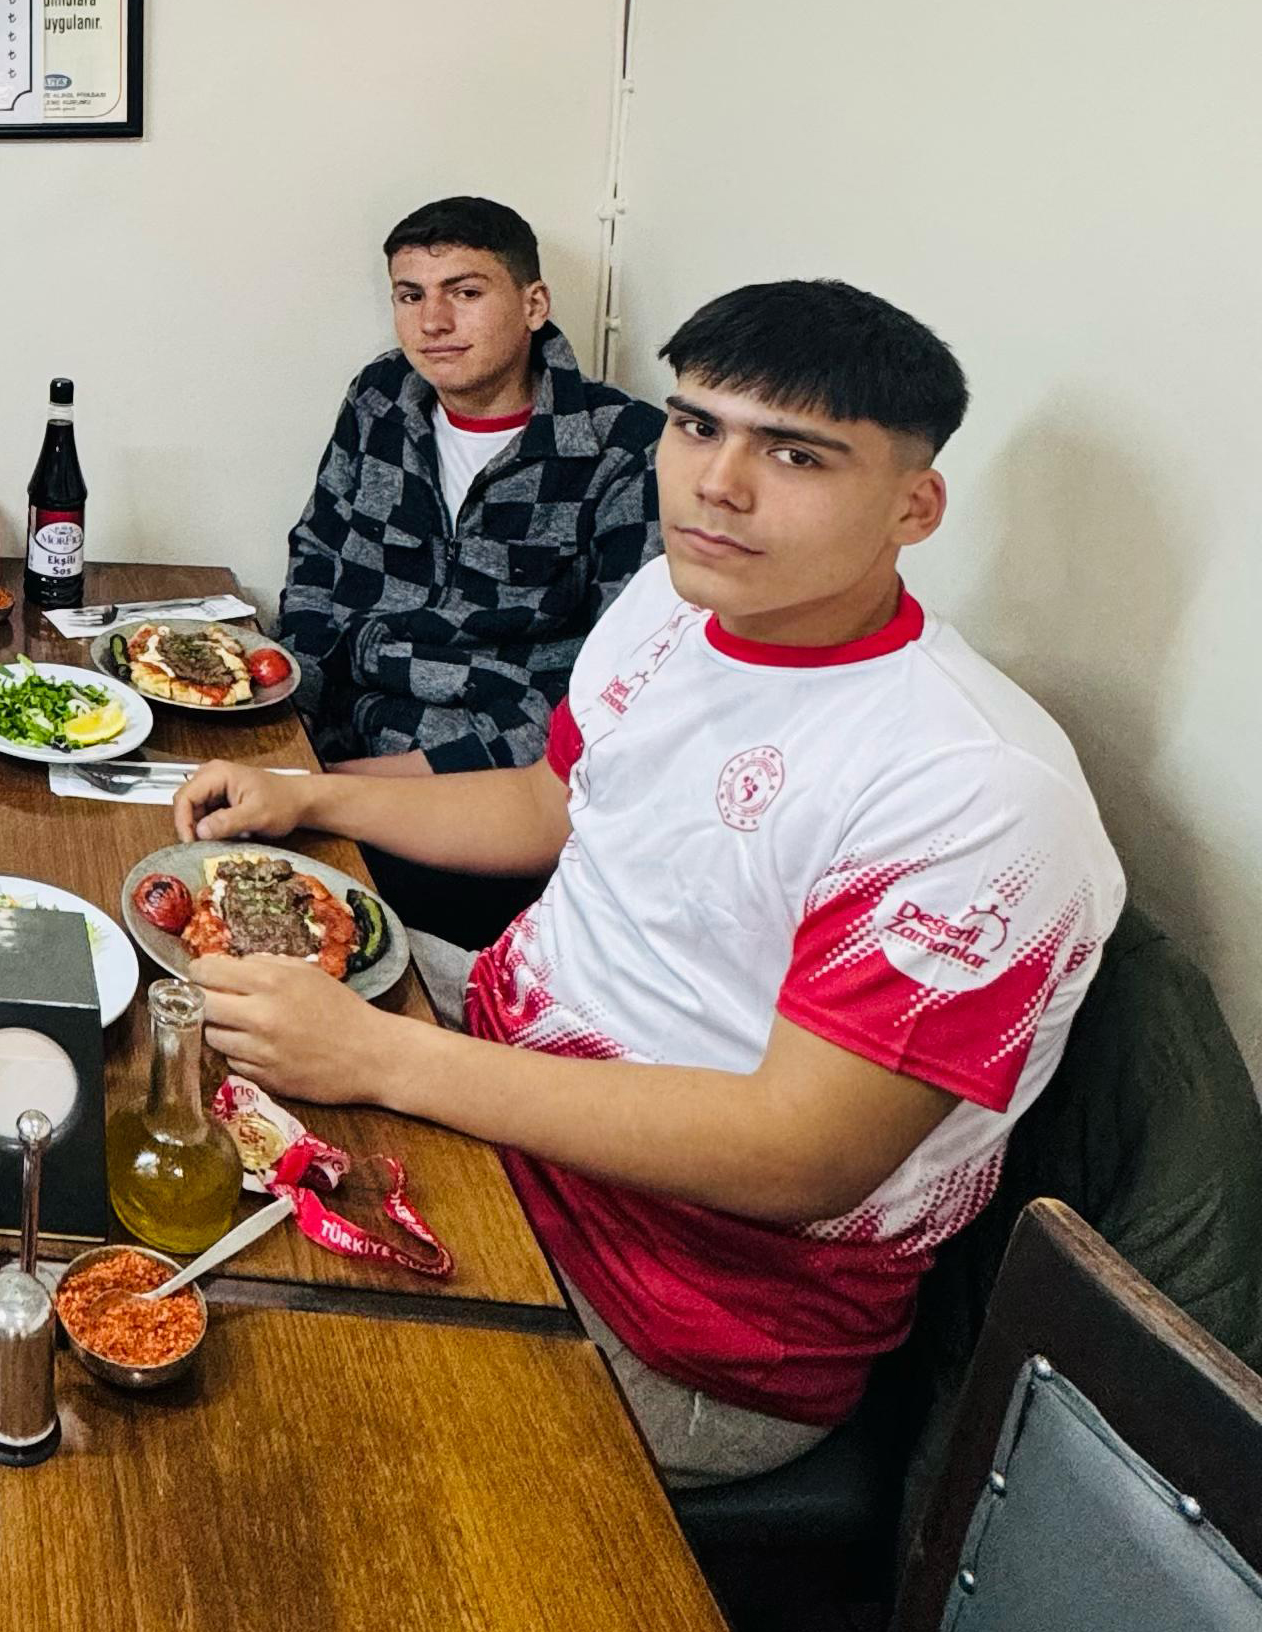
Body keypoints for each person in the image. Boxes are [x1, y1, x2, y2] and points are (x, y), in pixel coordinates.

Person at [174, 281, 1123, 1486]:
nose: (717, 483)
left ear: (915, 505)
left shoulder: (976, 786)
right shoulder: (675, 608)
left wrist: (382, 1060)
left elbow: (799, 1155)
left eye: (794, 454)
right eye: (695, 426)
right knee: (140, 1022)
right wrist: (312, 798)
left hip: (674, 1309)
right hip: (498, 1052)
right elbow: (554, 805)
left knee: (239, 1424)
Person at [277, 197, 666, 943]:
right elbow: (318, 561)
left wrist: (324, 791)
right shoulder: (382, 397)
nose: (433, 324)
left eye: (466, 292)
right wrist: (285, 721)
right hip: (332, 741)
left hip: (483, 798)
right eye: (410, 295)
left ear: (534, 303)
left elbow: (613, 693)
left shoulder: (624, 450)